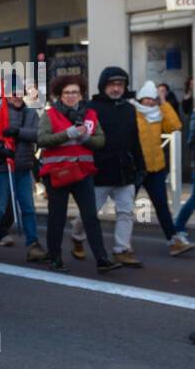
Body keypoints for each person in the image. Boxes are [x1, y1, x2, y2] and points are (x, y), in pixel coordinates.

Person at [38, 74, 120, 273]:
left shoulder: (90, 114)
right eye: (66, 93)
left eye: (75, 92)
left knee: (90, 216)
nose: (71, 96)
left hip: (83, 173)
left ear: (81, 94)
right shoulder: (49, 115)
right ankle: (55, 257)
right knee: (57, 216)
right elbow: (41, 139)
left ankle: (102, 259)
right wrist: (67, 134)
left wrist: (85, 139)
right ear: (59, 95)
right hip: (58, 173)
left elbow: (100, 141)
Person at [70, 67, 146, 266]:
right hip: (98, 171)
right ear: (103, 86)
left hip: (125, 171)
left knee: (126, 212)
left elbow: (135, 139)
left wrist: (140, 165)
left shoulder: (130, 109)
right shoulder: (91, 108)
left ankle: (121, 249)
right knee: (88, 213)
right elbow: (83, 139)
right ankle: (77, 237)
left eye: (120, 84)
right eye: (112, 84)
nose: (116, 88)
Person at [0, 79, 48, 262]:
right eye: (13, 93)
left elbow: (39, 134)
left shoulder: (31, 113)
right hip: (1, 166)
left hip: (23, 166)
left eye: (20, 93)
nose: (17, 97)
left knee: (28, 208)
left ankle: (33, 245)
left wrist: (18, 132)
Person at [132, 80, 193, 256]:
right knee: (126, 208)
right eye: (146, 99)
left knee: (162, 207)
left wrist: (163, 102)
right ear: (140, 99)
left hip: (156, 168)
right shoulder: (133, 114)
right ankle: (123, 246)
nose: (150, 102)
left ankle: (174, 242)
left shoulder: (158, 113)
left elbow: (175, 126)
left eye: (153, 99)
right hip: (136, 168)